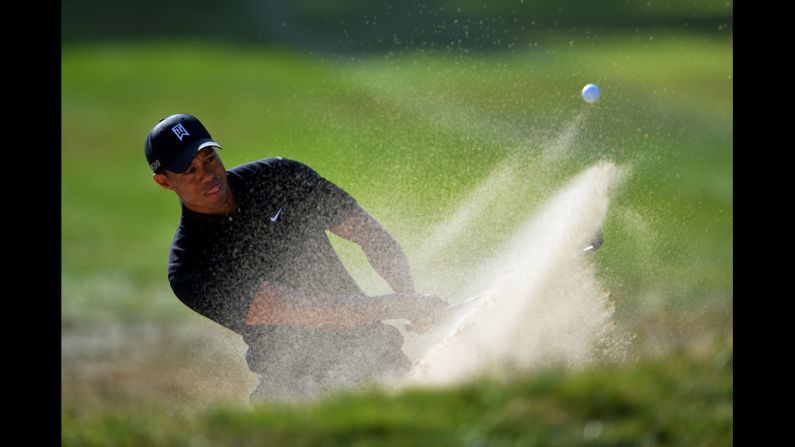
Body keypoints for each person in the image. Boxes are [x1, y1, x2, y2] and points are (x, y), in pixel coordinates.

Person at [144, 113, 449, 402]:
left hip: (373, 350)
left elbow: (369, 235)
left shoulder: (280, 177)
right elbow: (301, 310)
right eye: (189, 171)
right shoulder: (189, 267)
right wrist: (401, 305)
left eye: (209, 159)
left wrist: (408, 294)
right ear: (164, 181)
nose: (207, 175)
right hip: (296, 387)